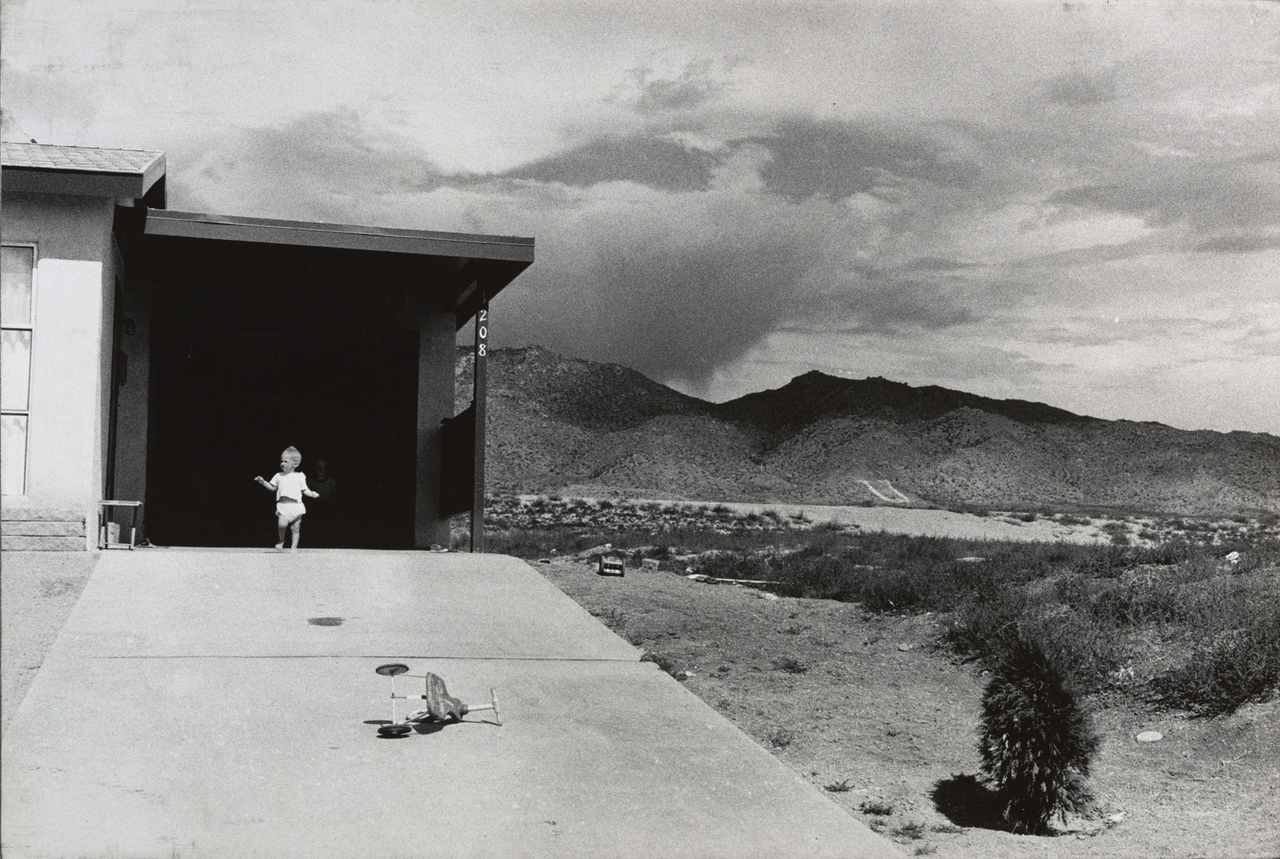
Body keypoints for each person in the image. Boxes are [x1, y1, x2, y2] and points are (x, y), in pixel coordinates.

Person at [254, 446, 318, 551]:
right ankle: (281, 539)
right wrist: (263, 482)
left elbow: (304, 489)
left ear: (295, 464)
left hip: (296, 506)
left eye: (286, 461)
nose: (282, 463)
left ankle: (294, 547)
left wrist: (311, 493)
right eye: (281, 461)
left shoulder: (300, 476)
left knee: (295, 528)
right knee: (282, 524)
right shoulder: (278, 475)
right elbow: (272, 487)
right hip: (283, 506)